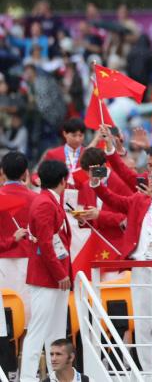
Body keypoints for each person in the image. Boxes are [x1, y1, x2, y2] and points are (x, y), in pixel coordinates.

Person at [92, 162, 152, 372]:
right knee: (143, 323)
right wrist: (97, 184)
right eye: (151, 176)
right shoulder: (138, 200)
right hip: (141, 270)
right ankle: (149, 371)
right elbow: (113, 200)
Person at [20, 160, 72, 382]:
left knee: (56, 334)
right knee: (38, 331)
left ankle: (56, 377)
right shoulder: (45, 203)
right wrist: (60, 273)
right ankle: (28, 379)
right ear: (63, 180)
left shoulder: (51, 201)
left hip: (55, 275)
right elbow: (46, 243)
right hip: (47, 277)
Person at [0, 151, 37, 315]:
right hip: (28, 259)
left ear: (2, 172)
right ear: (25, 173)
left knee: (5, 310)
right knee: (27, 310)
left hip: (3, 257)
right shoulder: (36, 198)